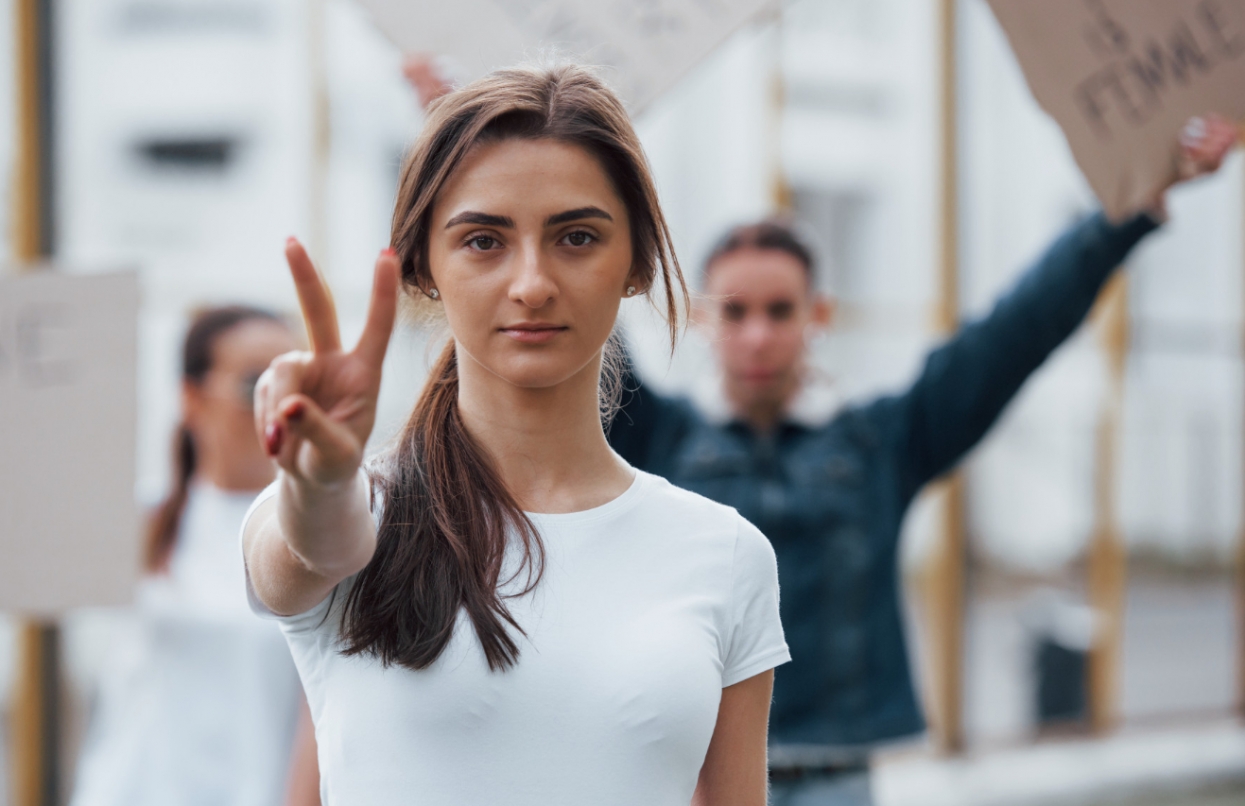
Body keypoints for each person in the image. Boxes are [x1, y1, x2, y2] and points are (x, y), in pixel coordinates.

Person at [604, 116, 1239, 806]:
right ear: (702, 318)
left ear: (817, 315)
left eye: (779, 311)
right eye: (736, 311)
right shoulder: (656, 442)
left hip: (833, 776)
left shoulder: (880, 443)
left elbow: (1012, 335)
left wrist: (1134, 203)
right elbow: (583, 309)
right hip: (693, 778)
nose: (757, 334)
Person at [242, 64, 790, 805]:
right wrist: (319, 482)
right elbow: (316, 547)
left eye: (575, 236)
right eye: (482, 241)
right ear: (423, 267)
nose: (531, 282)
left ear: (635, 264)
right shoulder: (352, 509)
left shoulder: (724, 554)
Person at [72, 306, 307, 806]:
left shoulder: (325, 539)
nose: (280, 406)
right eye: (255, 384)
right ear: (192, 398)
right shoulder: (143, 521)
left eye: (297, 384)